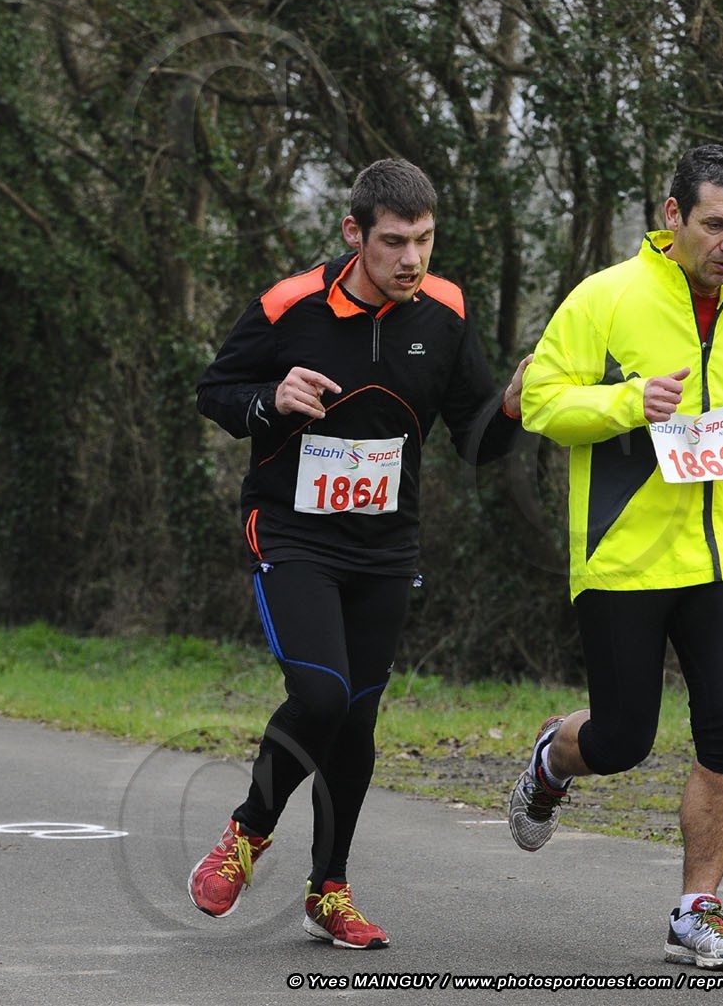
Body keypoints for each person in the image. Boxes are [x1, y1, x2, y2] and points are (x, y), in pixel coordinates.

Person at [189, 158, 529, 948]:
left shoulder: (446, 311)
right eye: (394, 242)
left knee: (357, 716)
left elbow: (476, 439)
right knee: (321, 696)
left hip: (384, 545)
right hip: (292, 531)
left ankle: (329, 890)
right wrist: (270, 399)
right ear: (354, 233)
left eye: (425, 240)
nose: (412, 259)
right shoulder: (291, 306)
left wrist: (512, 407)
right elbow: (214, 393)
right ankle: (246, 833)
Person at [508, 143, 723, 972]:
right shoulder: (606, 297)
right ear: (672, 214)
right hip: (627, 555)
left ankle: (696, 909)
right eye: (716, 224)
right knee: (622, 739)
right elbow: (539, 400)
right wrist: (625, 402)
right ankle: (553, 756)